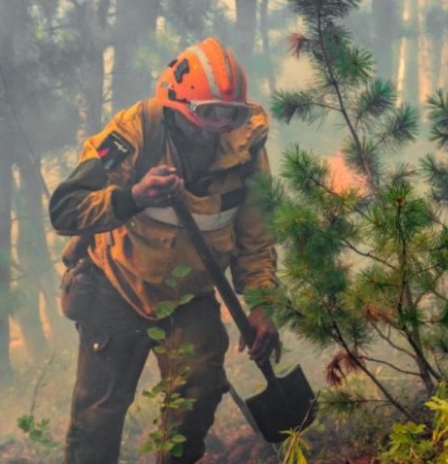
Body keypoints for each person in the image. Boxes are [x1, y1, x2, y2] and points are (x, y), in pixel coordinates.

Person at [49, 36, 282, 464]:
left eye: (228, 114)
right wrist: (132, 196)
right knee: (97, 419)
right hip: (115, 284)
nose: (216, 127)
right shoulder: (133, 132)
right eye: (205, 113)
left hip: (188, 294)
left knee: (199, 388)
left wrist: (263, 302)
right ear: (176, 107)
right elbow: (65, 209)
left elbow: (256, 235)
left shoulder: (246, 147)